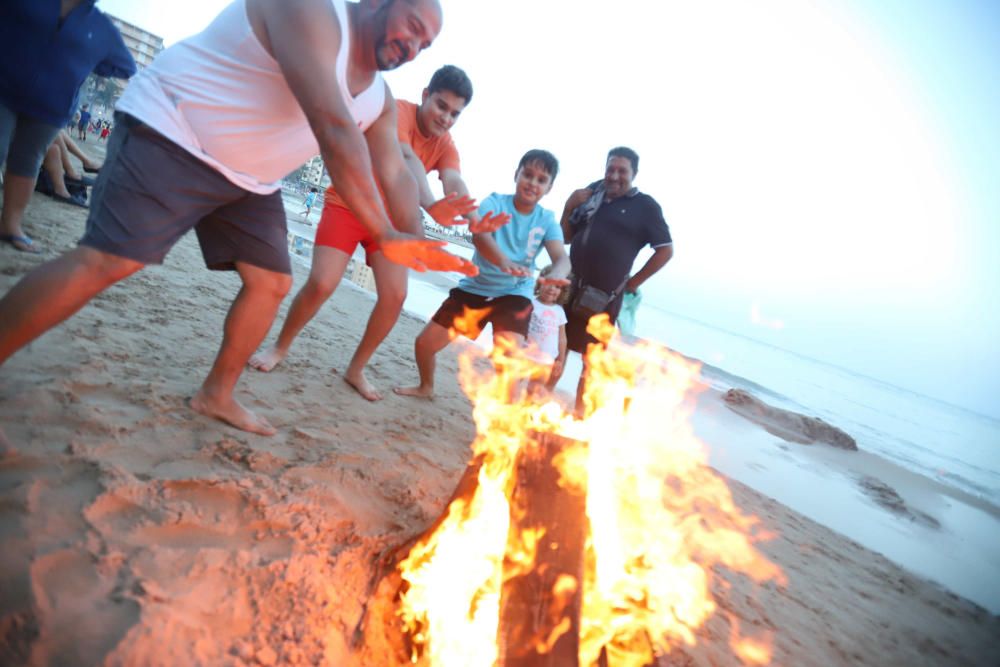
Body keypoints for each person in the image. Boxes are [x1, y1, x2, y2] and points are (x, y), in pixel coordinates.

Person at [0, 0, 477, 436]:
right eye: (412, 27)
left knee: (270, 282)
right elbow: (332, 127)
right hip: (173, 130)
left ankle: (217, 394)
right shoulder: (310, 10)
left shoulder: (379, 97)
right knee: (108, 262)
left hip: (248, 179)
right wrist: (385, 233)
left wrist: (414, 240)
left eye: (426, 43)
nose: (414, 47)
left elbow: (394, 171)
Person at [249, 64, 494, 401]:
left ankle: (356, 369)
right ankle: (280, 346)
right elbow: (404, 160)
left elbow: (455, 180)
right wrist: (429, 203)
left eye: (455, 113)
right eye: (441, 106)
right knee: (322, 282)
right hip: (350, 205)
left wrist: (475, 216)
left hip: (392, 224)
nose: (446, 118)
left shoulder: (446, 144)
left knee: (395, 297)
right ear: (426, 96)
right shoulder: (399, 114)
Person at [396, 149, 571, 399]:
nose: (533, 183)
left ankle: (505, 423)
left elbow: (562, 258)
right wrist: (503, 261)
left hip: (514, 295)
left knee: (509, 362)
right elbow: (479, 236)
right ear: (517, 174)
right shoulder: (495, 202)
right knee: (424, 345)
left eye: (541, 180)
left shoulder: (547, 220)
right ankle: (426, 387)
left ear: (549, 187)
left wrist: (557, 273)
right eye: (528, 175)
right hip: (474, 290)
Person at [0, 0, 135, 252]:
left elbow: (126, 67)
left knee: (26, 162)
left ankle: (10, 225)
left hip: (51, 105)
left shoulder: (101, 27)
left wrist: (85, 59)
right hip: (3, 87)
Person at [560, 146, 673, 412]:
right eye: (610, 168)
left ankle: (580, 418)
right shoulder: (590, 194)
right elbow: (565, 236)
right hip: (568, 289)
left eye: (622, 170)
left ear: (634, 174)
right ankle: (533, 404)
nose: (614, 176)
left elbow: (665, 250)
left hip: (602, 301)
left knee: (592, 364)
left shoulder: (645, 207)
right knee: (556, 349)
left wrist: (634, 282)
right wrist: (568, 204)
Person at [526, 265, 569, 392]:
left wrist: (560, 360)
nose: (552, 289)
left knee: (535, 388)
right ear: (540, 283)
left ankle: (526, 409)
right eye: (549, 283)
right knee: (514, 382)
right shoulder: (530, 303)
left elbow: (562, 338)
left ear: (562, 291)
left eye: (557, 287)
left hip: (546, 359)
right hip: (525, 354)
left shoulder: (559, 311)